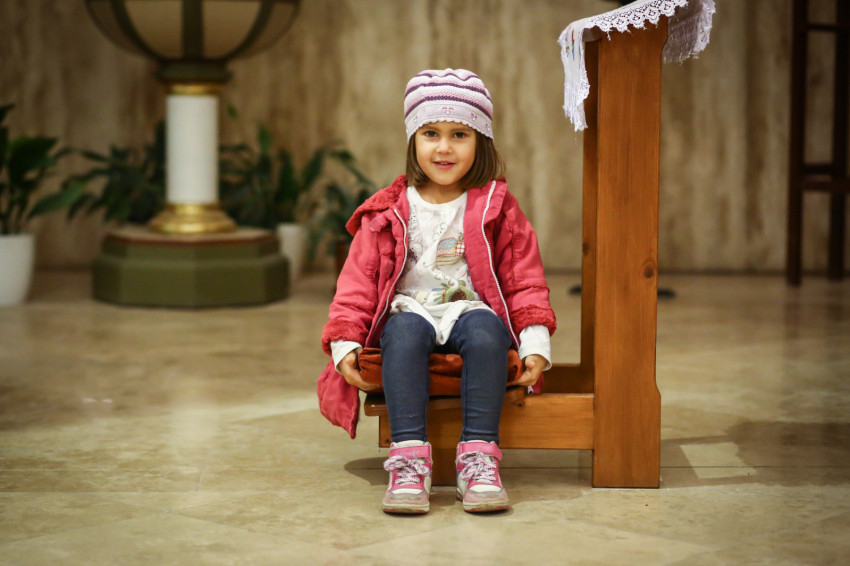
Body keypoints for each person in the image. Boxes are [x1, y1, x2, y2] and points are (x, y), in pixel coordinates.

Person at [317, 68, 556, 514]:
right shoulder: (388, 210)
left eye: (459, 134)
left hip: (469, 308)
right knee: (404, 335)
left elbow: (523, 278)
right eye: (431, 133)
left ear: (480, 141)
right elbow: (356, 283)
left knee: (487, 334)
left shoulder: (496, 207)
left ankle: (479, 458)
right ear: (413, 140)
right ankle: (408, 459)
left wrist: (534, 341)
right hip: (410, 310)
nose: (444, 148)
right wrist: (345, 341)